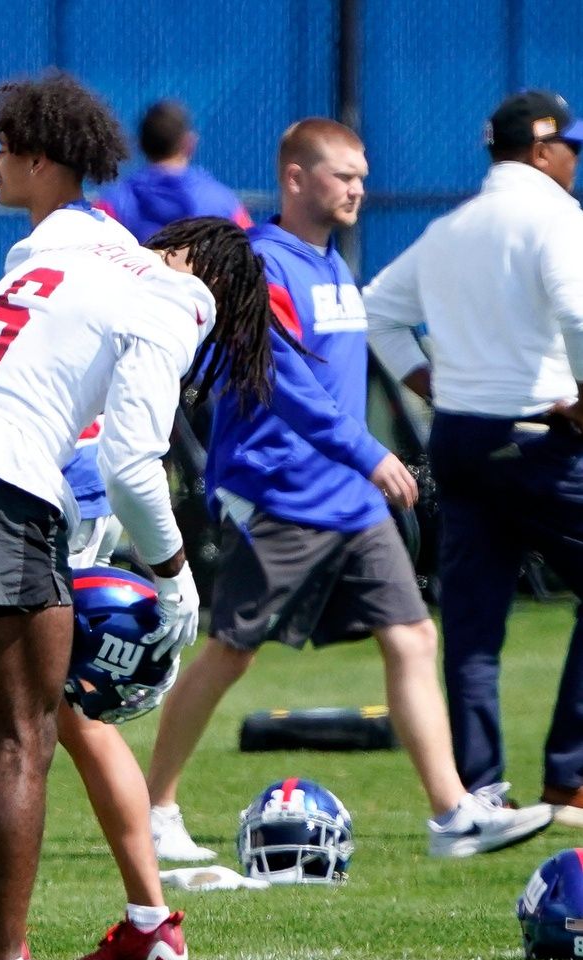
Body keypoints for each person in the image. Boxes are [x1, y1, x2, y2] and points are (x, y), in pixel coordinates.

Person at [0, 68, 290, 960]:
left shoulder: (61, 240)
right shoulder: (178, 298)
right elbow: (140, 461)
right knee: (22, 737)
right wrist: (176, 578)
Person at [144, 117, 555, 863]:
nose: (358, 187)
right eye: (343, 175)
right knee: (232, 650)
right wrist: (368, 452)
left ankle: (450, 813)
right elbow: (285, 386)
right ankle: (154, 806)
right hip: (281, 492)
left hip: (349, 496)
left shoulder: (333, 264)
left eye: (361, 175)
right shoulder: (262, 264)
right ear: (296, 178)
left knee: (411, 634)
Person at [364, 90, 583, 829]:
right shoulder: (553, 215)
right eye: (568, 146)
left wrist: (436, 384)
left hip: (457, 438)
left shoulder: (449, 227)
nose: (574, 160)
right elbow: (579, 312)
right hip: (533, 438)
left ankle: (482, 790)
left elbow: (376, 309)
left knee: (473, 621)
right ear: (539, 149)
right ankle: (569, 779)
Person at [96, 99, 251, 243]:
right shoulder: (223, 202)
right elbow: (248, 252)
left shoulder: (114, 202)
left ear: (140, 144)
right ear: (189, 143)